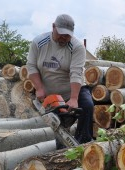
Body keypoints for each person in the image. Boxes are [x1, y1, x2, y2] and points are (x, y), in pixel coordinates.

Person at [26, 14, 94, 148]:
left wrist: (74, 98)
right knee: (59, 123)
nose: (63, 38)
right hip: (52, 93)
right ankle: (62, 153)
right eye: (61, 34)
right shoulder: (39, 43)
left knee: (87, 105)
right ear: (53, 27)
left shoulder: (77, 47)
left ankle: (84, 143)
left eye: (67, 35)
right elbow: (31, 66)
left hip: (74, 89)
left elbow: (76, 72)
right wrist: (39, 88)